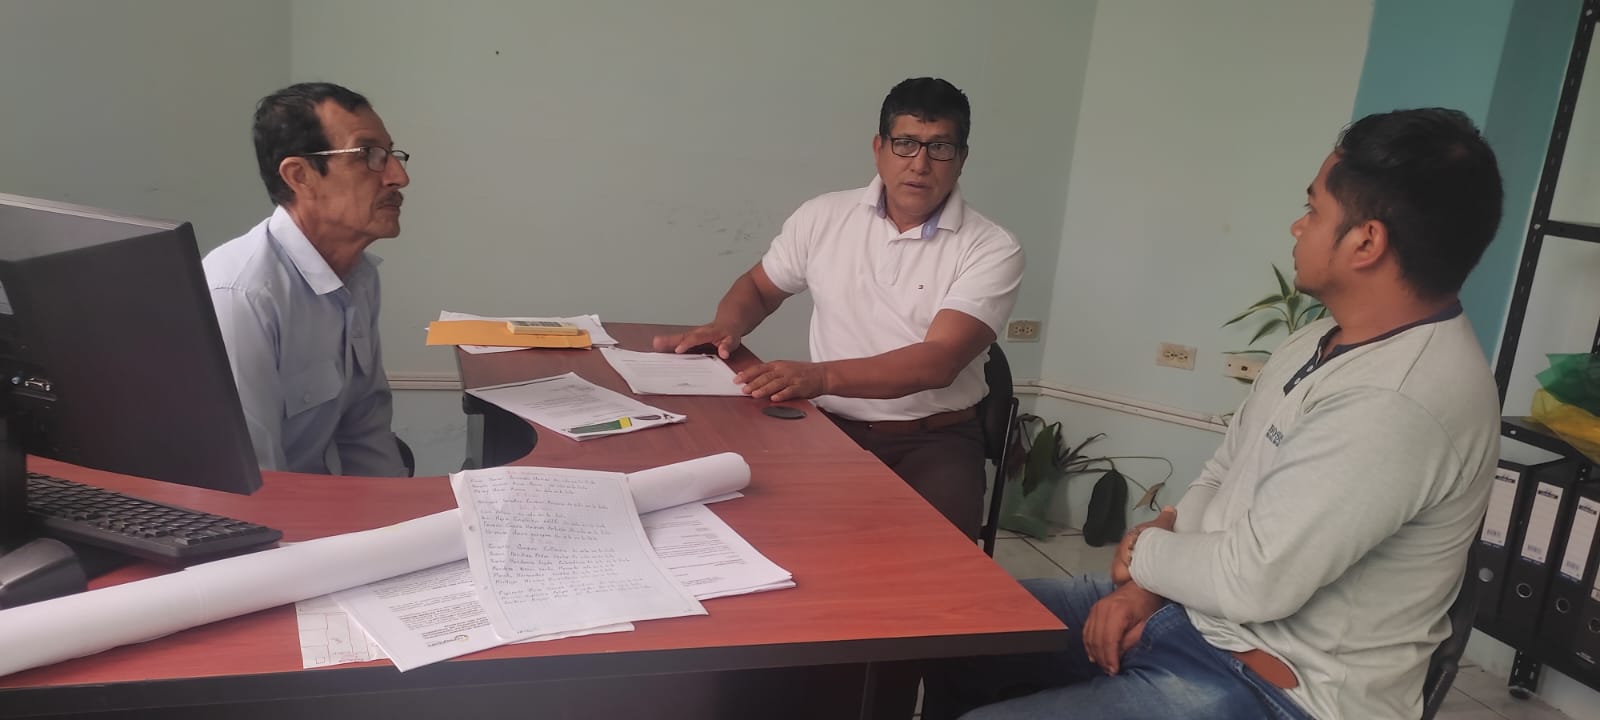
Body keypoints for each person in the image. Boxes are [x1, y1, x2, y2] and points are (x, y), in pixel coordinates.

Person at [923, 107, 1504, 720]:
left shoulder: (1397, 402)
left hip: (1279, 689)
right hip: (1197, 616)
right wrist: (1147, 588)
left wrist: (1145, 554)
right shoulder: (1319, 340)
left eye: (1313, 210)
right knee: (956, 631)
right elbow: (1224, 473)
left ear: (1366, 242)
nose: (1297, 226)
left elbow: (1252, 579)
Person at [653, 77, 1024, 538]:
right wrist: (727, 325)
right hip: (827, 426)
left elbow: (939, 361)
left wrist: (821, 377)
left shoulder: (991, 247)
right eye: (906, 143)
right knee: (774, 535)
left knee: (937, 565)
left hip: (934, 439)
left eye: (940, 148)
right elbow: (759, 288)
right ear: (879, 148)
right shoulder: (824, 216)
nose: (920, 163)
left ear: (962, 158)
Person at [203, 82, 411, 477]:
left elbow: (365, 433)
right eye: (368, 155)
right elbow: (250, 485)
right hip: (263, 511)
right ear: (300, 176)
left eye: (390, 155)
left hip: (323, 499)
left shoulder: (360, 277)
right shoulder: (241, 297)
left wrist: (403, 513)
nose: (398, 177)